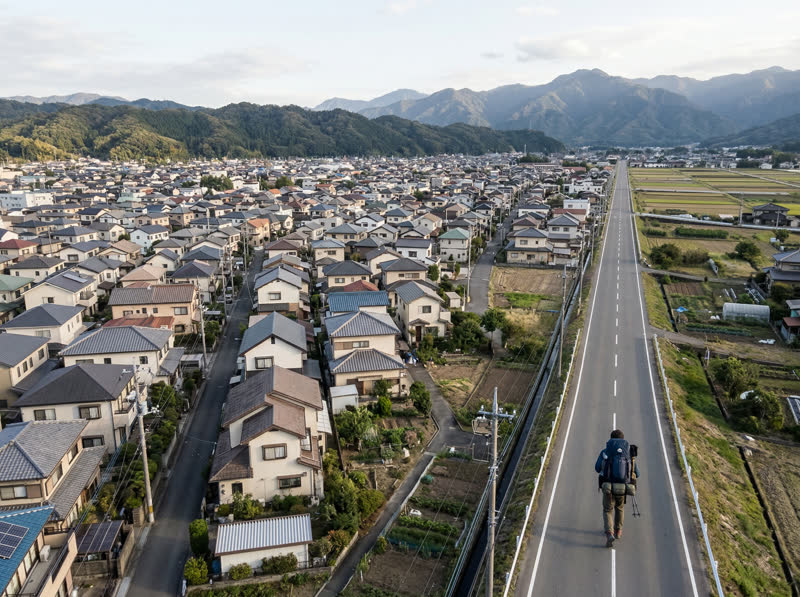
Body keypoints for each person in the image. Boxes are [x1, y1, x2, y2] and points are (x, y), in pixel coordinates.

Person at [594, 429, 640, 547]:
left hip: (608, 487)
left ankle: (609, 533)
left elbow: (597, 468)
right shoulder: (628, 453)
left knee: (608, 510)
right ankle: (618, 531)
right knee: (619, 507)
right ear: (623, 440)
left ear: (611, 439)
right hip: (623, 488)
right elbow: (638, 473)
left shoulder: (605, 451)